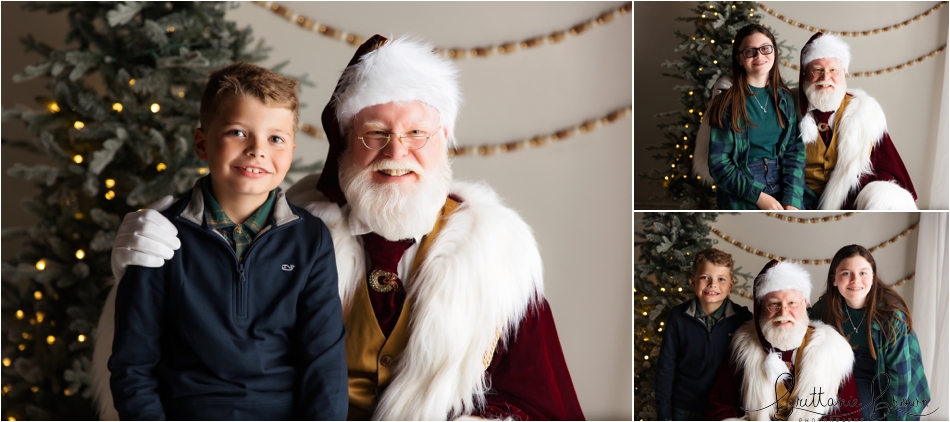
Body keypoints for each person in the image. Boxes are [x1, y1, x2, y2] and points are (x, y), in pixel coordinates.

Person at [92, 35, 584, 420]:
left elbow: (539, 402)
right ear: (345, 145)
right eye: (375, 134)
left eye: (417, 133)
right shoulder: (300, 225)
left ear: (444, 143)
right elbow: (169, 341)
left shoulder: (496, 255)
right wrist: (138, 254)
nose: (396, 152)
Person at [106, 63, 347, 420]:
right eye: (238, 132)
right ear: (202, 143)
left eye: (275, 138)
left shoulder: (310, 238)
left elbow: (324, 364)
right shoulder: (158, 236)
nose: (257, 150)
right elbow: (133, 366)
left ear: (291, 150)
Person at [706, 260, 861, 420]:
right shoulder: (743, 348)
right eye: (773, 304)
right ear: (760, 308)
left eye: (792, 303)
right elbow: (720, 407)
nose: (783, 312)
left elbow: (850, 413)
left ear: (805, 304)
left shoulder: (833, 350)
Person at [810, 245, 931, 420]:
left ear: (873, 277)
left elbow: (900, 377)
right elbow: (802, 329)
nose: (855, 280)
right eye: (846, 273)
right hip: (845, 368)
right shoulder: (825, 308)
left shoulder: (891, 317)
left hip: (884, 370)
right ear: (834, 279)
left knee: (868, 415)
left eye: (863, 273)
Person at [797, 33, 917, 210]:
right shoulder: (787, 107)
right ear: (805, 72)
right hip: (797, 199)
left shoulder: (864, 112)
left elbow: (886, 167)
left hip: (847, 202)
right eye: (817, 70)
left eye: (833, 71)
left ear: (844, 72)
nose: (825, 77)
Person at [704, 24, 806, 210]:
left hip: (782, 180)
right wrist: (758, 196)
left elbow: (794, 152)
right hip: (743, 183)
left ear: (774, 53)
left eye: (765, 48)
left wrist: (792, 199)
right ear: (739, 59)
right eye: (750, 51)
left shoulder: (785, 98)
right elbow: (719, 164)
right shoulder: (727, 101)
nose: (759, 55)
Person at [655, 248, 752, 420]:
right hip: (683, 409)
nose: (712, 284)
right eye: (704, 277)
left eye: (721, 279)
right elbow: (666, 367)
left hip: (724, 410)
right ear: (693, 282)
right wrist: (663, 413)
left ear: (730, 285)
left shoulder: (743, 319)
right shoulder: (678, 316)